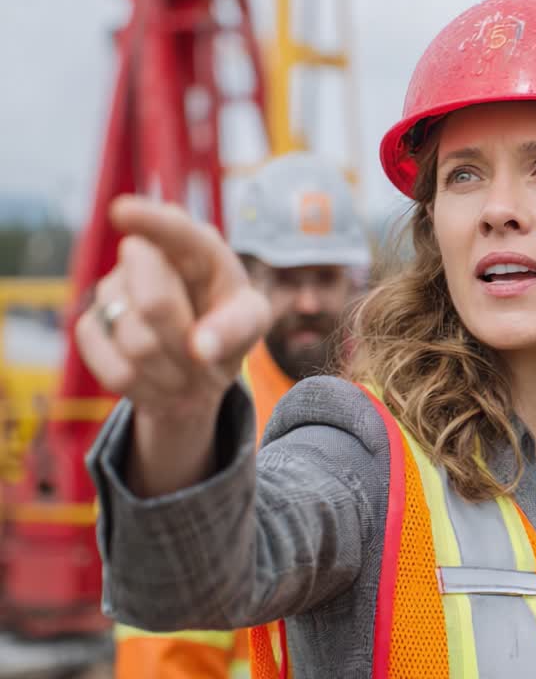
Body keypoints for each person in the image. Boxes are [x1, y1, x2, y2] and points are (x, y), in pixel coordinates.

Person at [78, 0, 536, 678]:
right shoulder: (361, 460)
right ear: (436, 225)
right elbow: (199, 574)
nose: (497, 209)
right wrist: (179, 427)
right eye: (464, 175)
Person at [111, 153, 370, 678]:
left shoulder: (383, 403)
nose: (308, 300)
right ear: (247, 278)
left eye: (324, 277)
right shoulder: (202, 423)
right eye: (286, 278)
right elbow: (166, 644)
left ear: (352, 282)